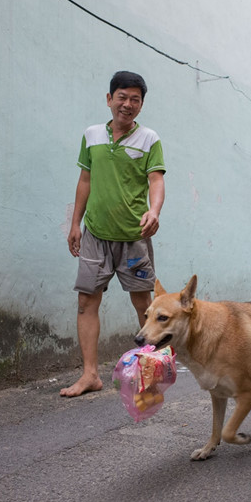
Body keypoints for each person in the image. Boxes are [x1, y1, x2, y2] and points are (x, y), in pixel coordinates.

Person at [61, 71, 166, 398]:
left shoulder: (149, 139)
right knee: (86, 302)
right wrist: (75, 223)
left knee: (143, 304)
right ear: (109, 99)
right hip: (95, 235)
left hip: (133, 237)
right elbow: (85, 180)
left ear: (141, 105)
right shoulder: (92, 135)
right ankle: (90, 374)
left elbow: (156, 181)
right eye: (122, 97)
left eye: (135, 99)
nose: (128, 104)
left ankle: (151, 371)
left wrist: (154, 210)